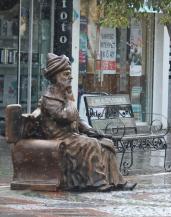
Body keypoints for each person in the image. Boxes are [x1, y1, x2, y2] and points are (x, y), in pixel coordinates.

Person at [37, 53, 136, 191]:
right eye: (66, 74)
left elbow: (78, 119)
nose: (70, 77)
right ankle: (97, 182)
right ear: (55, 77)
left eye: (69, 74)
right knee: (91, 144)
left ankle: (117, 181)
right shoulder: (49, 99)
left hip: (73, 137)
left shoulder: (64, 94)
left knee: (106, 143)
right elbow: (65, 116)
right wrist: (71, 104)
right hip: (60, 139)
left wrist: (91, 130)